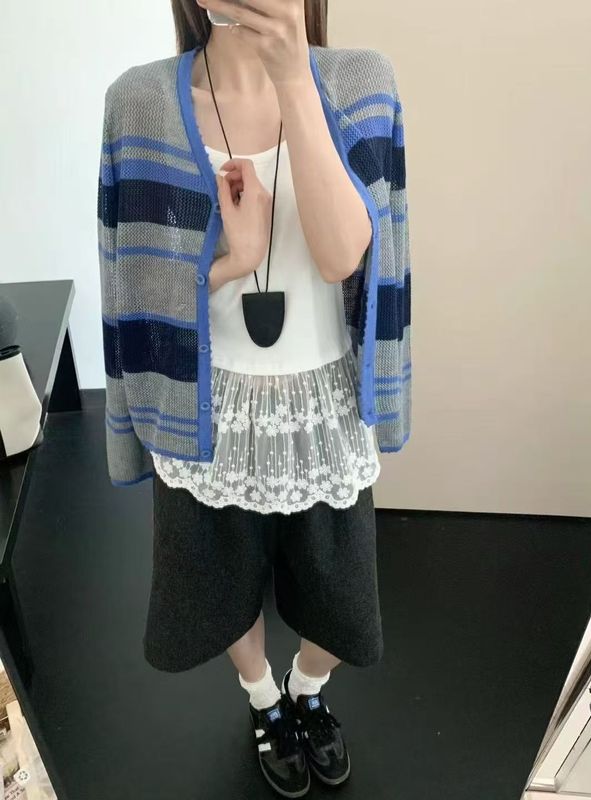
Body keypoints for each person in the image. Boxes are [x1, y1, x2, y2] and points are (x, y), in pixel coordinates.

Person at [97, 0, 411, 796]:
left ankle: (307, 688)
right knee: (218, 581)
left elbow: (346, 257)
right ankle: (264, 698)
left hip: (323, 404)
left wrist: (295, 80)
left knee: (342, 599)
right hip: (204, 403)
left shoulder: (360, 84)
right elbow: (135, 283)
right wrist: (236, 260)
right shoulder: (138, 102)